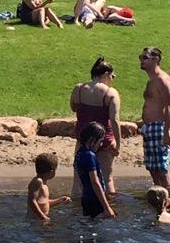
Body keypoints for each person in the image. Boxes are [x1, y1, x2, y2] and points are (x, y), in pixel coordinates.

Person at [70, 57, 121, 199]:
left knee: (78, 180)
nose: (112, 79)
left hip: (83, 140)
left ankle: (76, 212)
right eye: (112, 76)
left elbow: (73, 107)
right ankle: (109, 210)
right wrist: (118, 144)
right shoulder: (110, 93)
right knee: (107, 178)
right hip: (104, 140)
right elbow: (115, 120)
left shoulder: (79, 89)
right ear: (105, 74)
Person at [137, 46, 170, 197]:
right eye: (140, 57)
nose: (141, 61)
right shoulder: (151, 80)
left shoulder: (162, 80)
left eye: (144, 58)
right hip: (149, 128)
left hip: (159, 128)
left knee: (161, 168)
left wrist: (166, 132)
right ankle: (159, 200)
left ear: (156, 59)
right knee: (152, 168)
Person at [74, 122, 115, 219]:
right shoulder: (89, 155)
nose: (101, 144)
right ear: (92, 139)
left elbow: (81, 181)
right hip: (95, 199)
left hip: (86, 198)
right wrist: (107, 207)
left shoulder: (79, 154)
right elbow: (95, 182)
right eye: (100, 141)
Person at [27, 152, 69, 222]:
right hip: (34, 220)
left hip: (41, 220)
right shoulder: (38, 181)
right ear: (52, 172)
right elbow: (32, 201)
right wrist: (43, 217)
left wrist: (60, 200)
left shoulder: (44, 183)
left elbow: (44, 202)